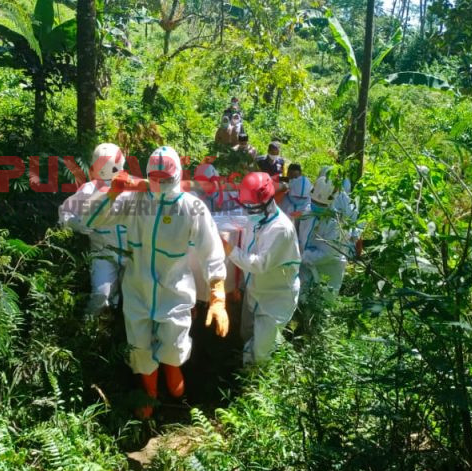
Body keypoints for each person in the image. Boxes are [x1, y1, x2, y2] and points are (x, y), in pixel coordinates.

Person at [83, 146, 229, 418]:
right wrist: (112, 193)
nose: (160, 185)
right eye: (155, 179)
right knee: (140, 349)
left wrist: (218, 296)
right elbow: (90, 219)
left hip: (174, 293)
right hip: (137, 290)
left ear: (178, 176)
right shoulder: (134, 200)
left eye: (166, 179)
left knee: (173, 351)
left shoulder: (191, 207)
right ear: (148, 176)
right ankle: (149, 394)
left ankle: (176, 390)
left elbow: (212, 253)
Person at [222, 172, 300, 365]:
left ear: (268, 202)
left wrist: (229, 249)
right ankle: (243, 370)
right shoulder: (256, 218)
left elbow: (258, 264)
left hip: (275, 298)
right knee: (246, 335)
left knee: (261, 353)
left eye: (253, 207)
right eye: (246, 206)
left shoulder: (280, 229)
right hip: (255, 293)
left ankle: (257, 386)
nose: (249, 212)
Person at [58, 143, 127, 316]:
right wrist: (75, 223)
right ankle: (89, 332)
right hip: (102, 253)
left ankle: (123, 335)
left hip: (132, 254)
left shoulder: (133, 189)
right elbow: (65, 212)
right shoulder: (88, 191)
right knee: (100, 296)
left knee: (136, 300)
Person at [298, 173, 347, 295]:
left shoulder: (335, 223)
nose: (317, 206)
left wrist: (301, 257)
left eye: (322, 204)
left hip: (328, 268)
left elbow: (327, 253)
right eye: (315, 202)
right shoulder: (307, 212)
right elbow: (302, 238)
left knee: (323, 301)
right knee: (303, 299)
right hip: (305, 266)